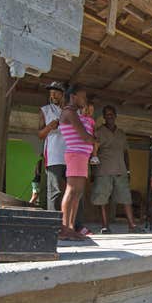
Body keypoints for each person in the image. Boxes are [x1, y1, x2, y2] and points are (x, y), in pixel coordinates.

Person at [91, 105, 142, 233]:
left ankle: (132, 225)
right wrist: (93, 171)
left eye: (111, 114)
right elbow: (93, 152)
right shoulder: (98, 132)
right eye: (107, 114)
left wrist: (128, 170)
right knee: (102, 199)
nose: (110, 116)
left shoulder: (121, 134)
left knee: (126, 198)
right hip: (103, 170)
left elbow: (126, 153)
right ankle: (105, 226)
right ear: (104, 117)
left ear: (115, 116)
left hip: (121, 170)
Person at [59, 84, 96, 240]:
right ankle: (64, 229)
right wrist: (95, 140)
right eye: (83, 96)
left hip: (81, 156)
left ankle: (71, 227)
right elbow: (84, 136)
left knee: (78, 193)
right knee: (72, 190)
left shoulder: (75, 113)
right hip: (75, 154)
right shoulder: (69, 112)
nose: (85, 100)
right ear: (73, 96)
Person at [38, 81, 66, 211]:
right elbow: (40, 134)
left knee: (71, 190)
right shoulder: (45, 110)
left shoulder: (70, 111)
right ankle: (53, 223)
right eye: (51, 93)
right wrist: (50, 126)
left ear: (62, 94)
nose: (53, 95)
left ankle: (70, 223)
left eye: (56, 92)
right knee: (55, 191)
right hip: (54, 156)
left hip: (70, 155)